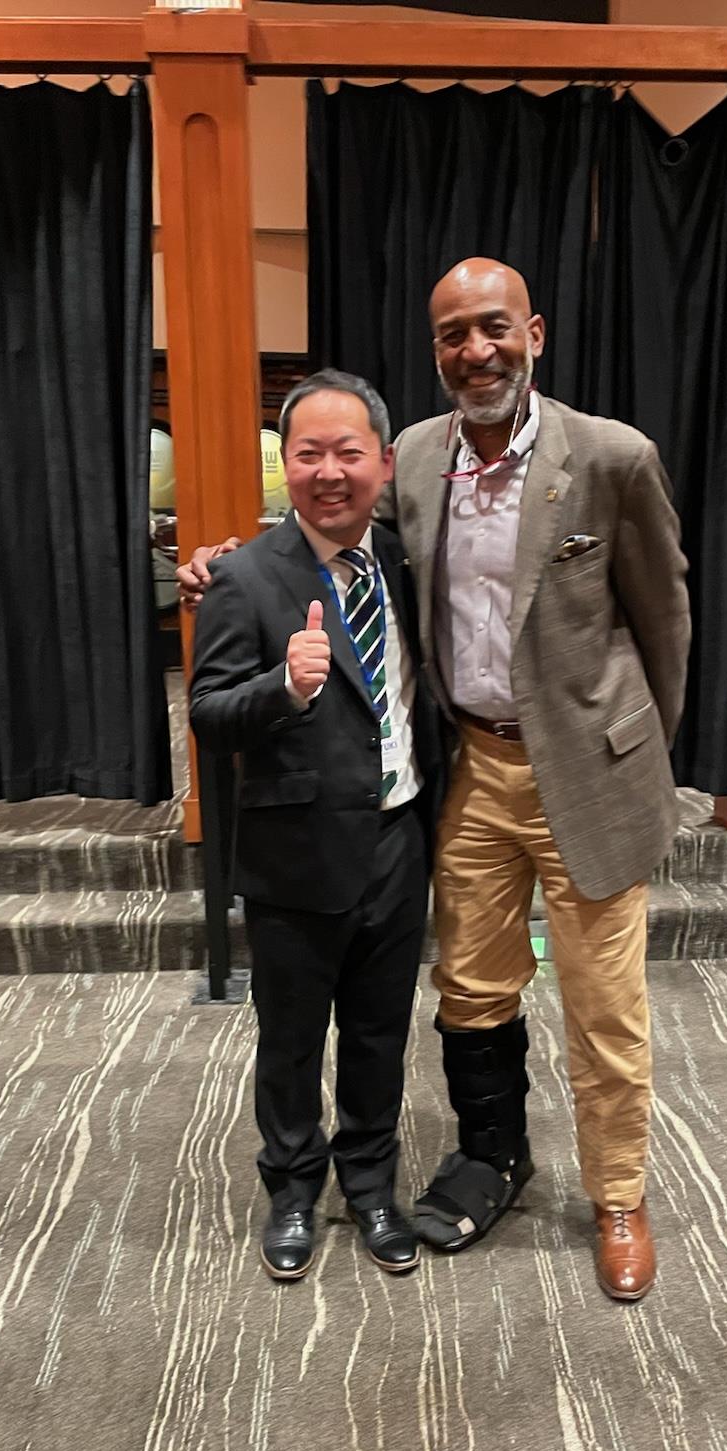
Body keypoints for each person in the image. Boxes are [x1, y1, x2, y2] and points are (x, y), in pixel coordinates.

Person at [182, 260, 689, 1303]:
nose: (476, 350)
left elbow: (664, 618)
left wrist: (638, 749)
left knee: (605, 1003)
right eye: (454, 334)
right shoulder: (412, 456)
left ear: (533, 333)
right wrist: (236, 563)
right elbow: (334, 540)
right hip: (469, 771)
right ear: (436, 350)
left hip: (587, 773)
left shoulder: (611, 456)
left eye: (494, 327)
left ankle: (619, 1197)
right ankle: (494, 1159)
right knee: (471, 990)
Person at [189, 369, 442, 1283]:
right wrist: (282, 687)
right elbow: (208, 715)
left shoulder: (414, 566)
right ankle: (292, 1189)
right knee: (291, 1040)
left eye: (348, 453)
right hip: (294, 852)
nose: (329, 473)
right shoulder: (244, 575)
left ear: (384, 462)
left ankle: (371, 1186)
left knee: (380, 1033)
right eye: (308, 455)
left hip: (399, 839)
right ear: (284, 465)